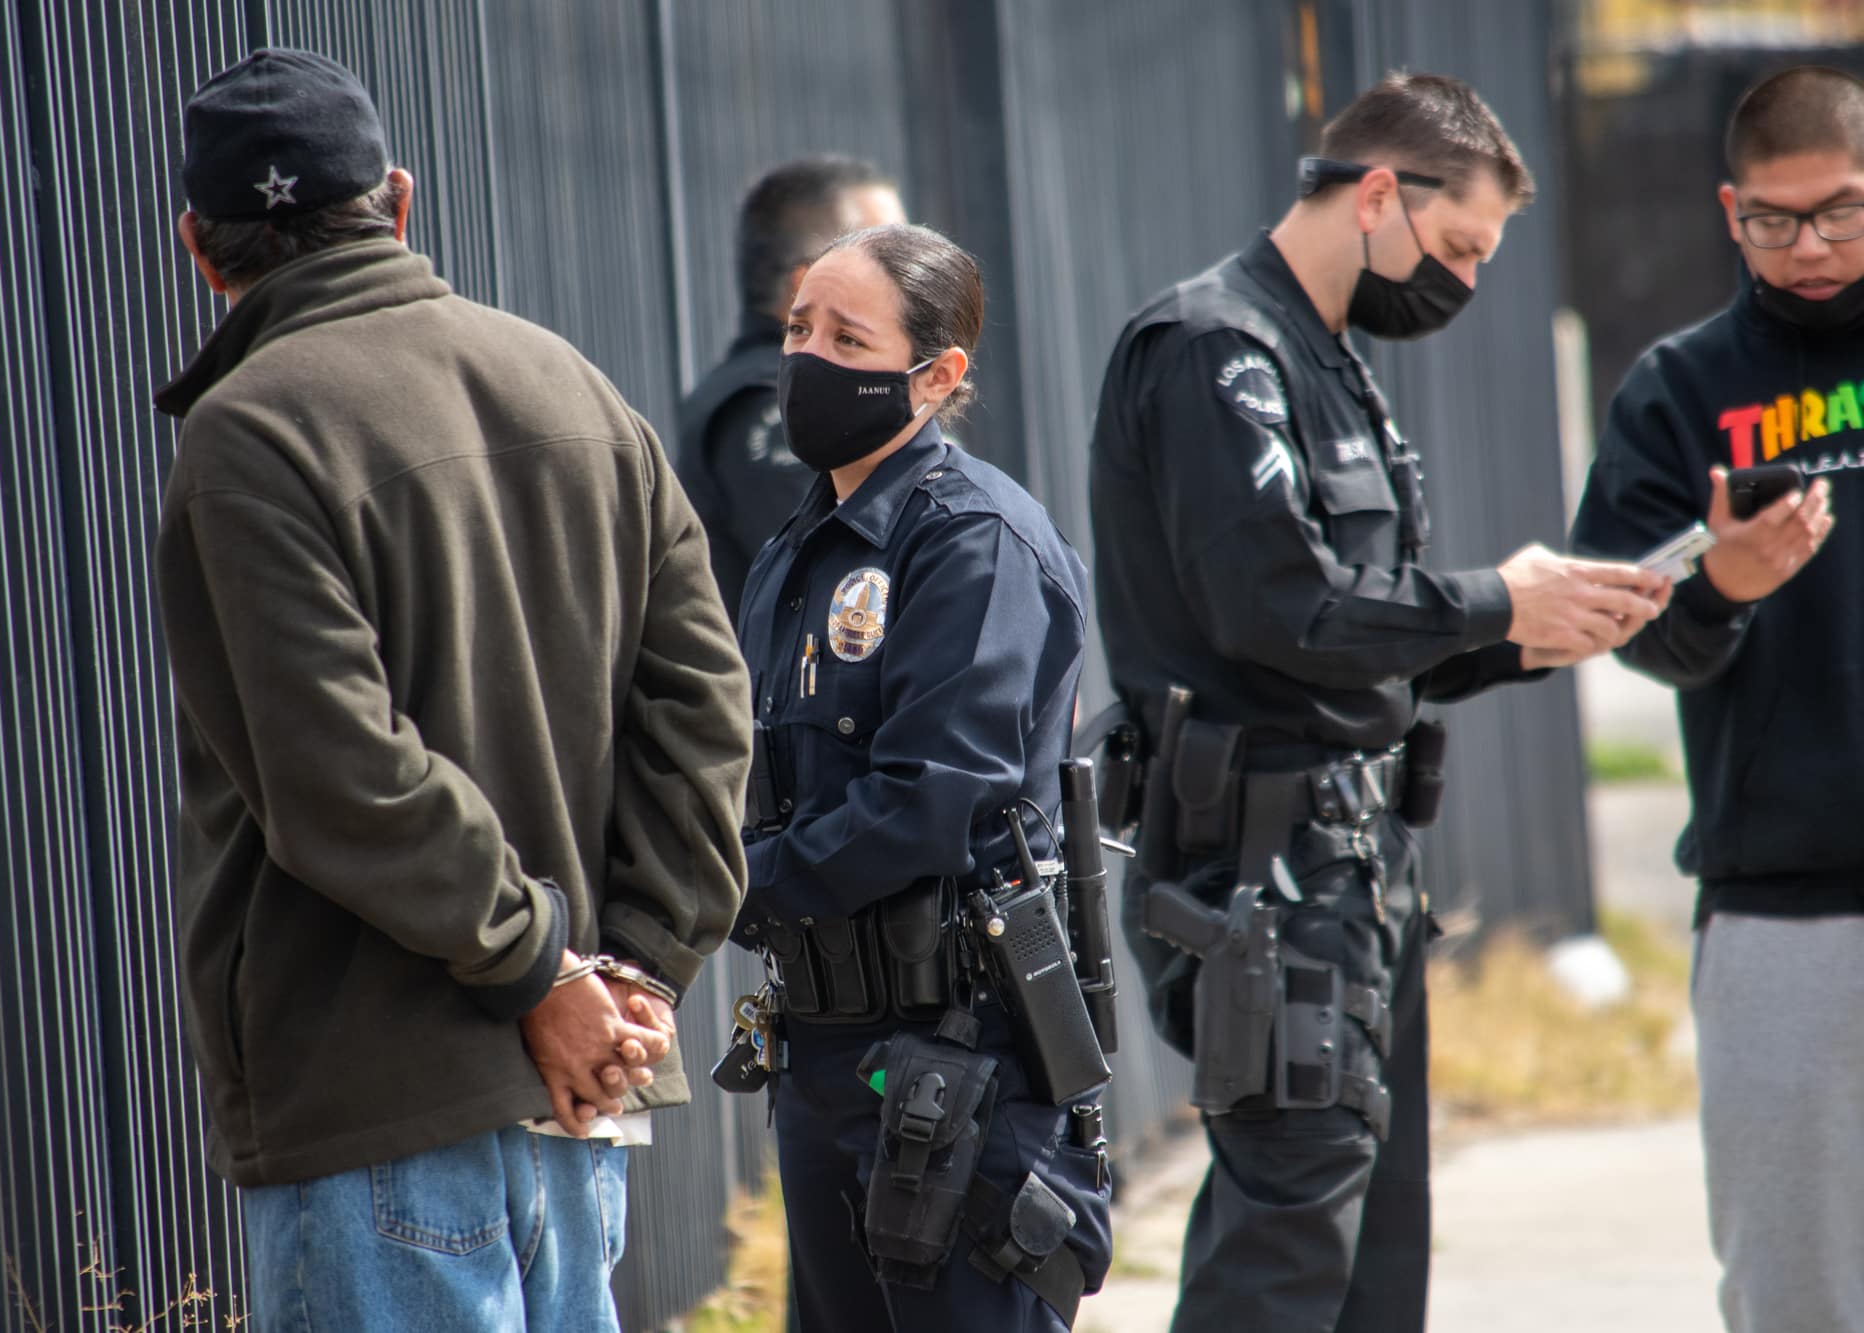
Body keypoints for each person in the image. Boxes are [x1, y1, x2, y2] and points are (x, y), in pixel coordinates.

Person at [152, 49, 751, 1331]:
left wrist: (547, 975)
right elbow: (703, 705)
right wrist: (632, 974)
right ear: (400, 201)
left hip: (377, 1104)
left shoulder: (248, 433)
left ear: (202, 247)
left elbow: (340, 774)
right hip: (583, 1090)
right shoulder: (571, 385)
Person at [1086, 73, 1672, 1332]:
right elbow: (1276, 609)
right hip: (1258, 869)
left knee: (1368, 1242)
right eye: (1455, 245)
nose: (1458, 282)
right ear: (1373, 194)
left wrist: (1535, 631)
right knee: (1287, 1246)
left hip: (1348, 868)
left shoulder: (1325, 356)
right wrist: (1488, 601)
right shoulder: (1214, 350)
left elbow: (1364, 640)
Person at [733, 222, 1112, 1331]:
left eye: (848, 338)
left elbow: (930, 799)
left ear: (935, 375)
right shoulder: (796, 549)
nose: (808, 357)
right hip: (823, 1051)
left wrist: (727, 885)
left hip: (956, 1060)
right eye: (800, 327)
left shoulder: (971, 539)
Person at [1570, 65, 1847, 1333]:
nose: (1809, 247)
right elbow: (1634, 636)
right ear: (1728, 212)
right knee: (1793, 1288)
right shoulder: (1678, 391)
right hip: (1784, 910)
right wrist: (1721, 588)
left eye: (1841, 211)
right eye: (1774, 221)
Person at [677, 156, 906, 622]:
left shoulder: (855, 389)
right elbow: (848, 591)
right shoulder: (771, 404)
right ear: (811, 283)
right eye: (892, 260)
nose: (914, 278)